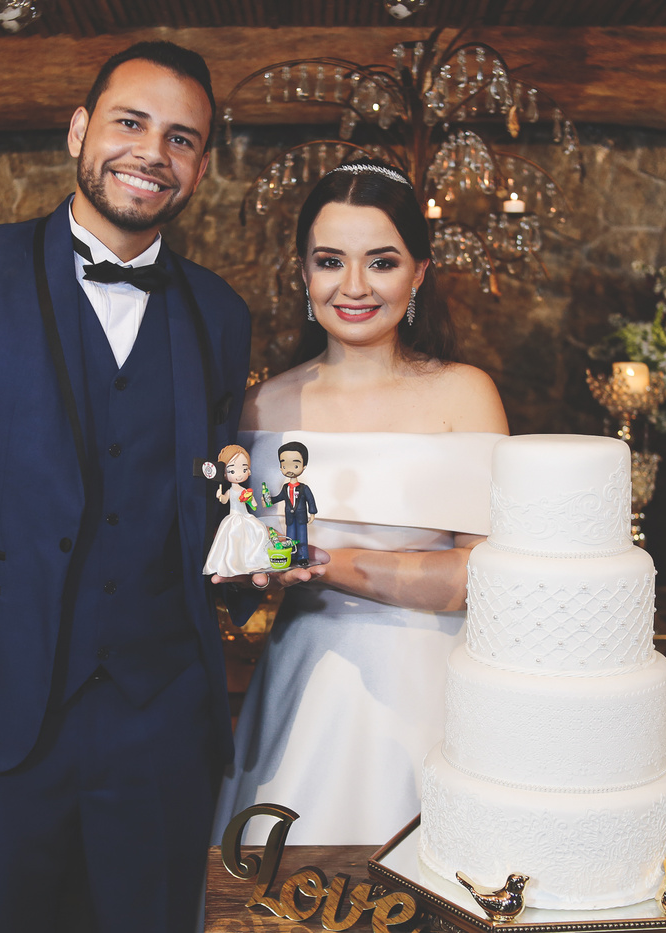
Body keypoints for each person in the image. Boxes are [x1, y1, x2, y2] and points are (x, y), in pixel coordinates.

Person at [0, 41, 316, 931]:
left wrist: (263, 555)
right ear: (79, 131)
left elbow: (206, 499)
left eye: (180, 138)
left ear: (200, 165)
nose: (152, 152)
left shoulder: (219, 313)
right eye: (131, 122)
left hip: (161, 733)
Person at [211, 159, 509, 847]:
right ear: (303, 273)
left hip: (430, 693)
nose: (353, 286)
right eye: (329, 261)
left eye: (381, 262)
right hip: (299, 688)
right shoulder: (260, 407)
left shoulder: (464, 394)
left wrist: (326, 562)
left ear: (419, 272)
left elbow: (489, 575)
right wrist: (245, 573)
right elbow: (237, 553)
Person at [201, 444, 271, 582]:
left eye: (243, 469)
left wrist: (251, 500)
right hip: (233, 517)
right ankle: (233, 564)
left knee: (254, 535)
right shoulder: (231, 491)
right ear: (224, 473)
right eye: (232, 471)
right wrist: (220, 496)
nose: (239, 474)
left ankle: (252, 561)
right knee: (233, 540)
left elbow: (254, 506)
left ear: (248, 470)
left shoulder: (245, 491)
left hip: (245, 516)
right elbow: (225, 500)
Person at [276, 440, 317, 565]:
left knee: (302, 537)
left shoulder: (304, 488)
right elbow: (279, 497)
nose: (289, 470)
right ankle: (292, 556)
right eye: (284, 466)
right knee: (290, 537)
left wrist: (312, 513)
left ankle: (303, 556)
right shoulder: (285, 488)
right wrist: (268, 500)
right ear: (281, 467)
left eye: (295, 466)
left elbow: (310, 500)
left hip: (301, 517)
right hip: (289, 517)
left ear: (303, 466)